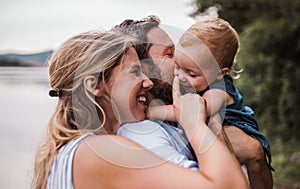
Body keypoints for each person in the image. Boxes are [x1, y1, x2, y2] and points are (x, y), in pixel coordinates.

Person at [31, 30, 249, 189]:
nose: (148, 82)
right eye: (135, 71)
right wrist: (194, 124)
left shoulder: (76, 151)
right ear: (95, 85)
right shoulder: (100, 151)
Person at [113, 16, 273, 189]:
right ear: (143, 67)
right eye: (169, 54)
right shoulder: (142, 134)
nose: (180, 61)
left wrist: (254, 152)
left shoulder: (208, 94)